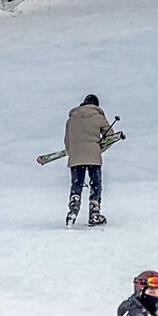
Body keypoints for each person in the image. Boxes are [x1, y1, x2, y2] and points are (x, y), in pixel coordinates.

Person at [64, 94, 112, 226]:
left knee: (77, 183)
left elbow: (67, 141)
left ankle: (73, 207)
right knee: (95, 183)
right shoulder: (99, 117)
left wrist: (72, 151)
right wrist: (98, 148)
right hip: (93, 156)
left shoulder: (71, 119)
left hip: (75, 156)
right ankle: (94, 213)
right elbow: (111, 137)